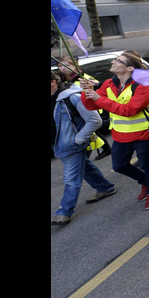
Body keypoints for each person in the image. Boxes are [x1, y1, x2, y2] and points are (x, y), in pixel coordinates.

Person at [80, 51, 149, 209]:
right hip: (120, 135)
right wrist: (87, 91)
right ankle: (145, 181)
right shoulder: (109, 83)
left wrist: (98, 98)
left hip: (143, 134)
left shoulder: (144, 86)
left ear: (130, 68)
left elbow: (129, 110)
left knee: (147, 164)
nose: (113, 62)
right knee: (118, 166)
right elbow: (90, 105)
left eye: (118, 60)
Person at [51, 72, 115, 225]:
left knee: (71, 177)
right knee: (84, 167)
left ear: (53, 82)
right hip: (58, 145)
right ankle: (105, 187)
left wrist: (78, 139)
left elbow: (94, 120)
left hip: (72, 145)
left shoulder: (71, 97)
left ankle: (64, 211)